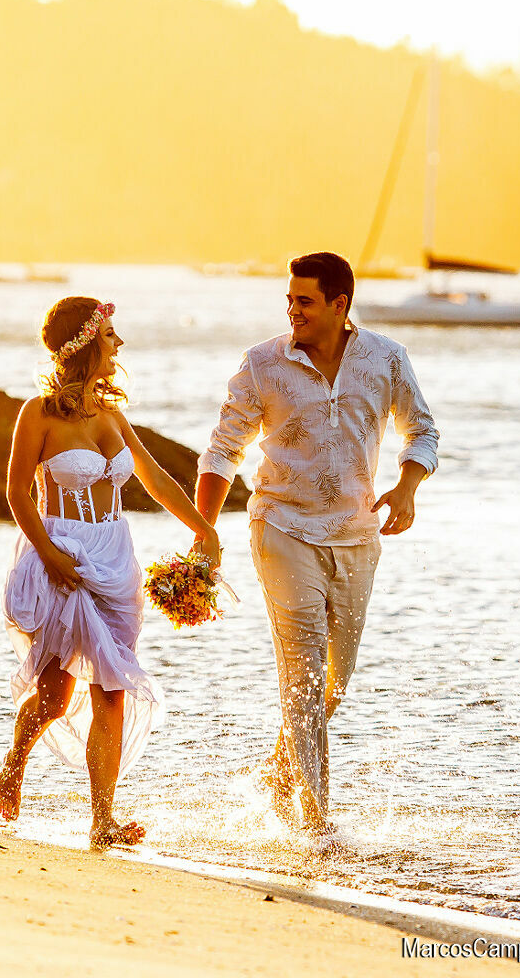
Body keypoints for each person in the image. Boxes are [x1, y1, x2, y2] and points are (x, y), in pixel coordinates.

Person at [194, 252, 438, 838]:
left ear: (339, 304)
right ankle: (316, 823)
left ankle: (283, 773)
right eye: (289, 301)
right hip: (282, 529)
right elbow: (222, 451)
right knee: (301, 672)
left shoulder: (385, 359)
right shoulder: (262, 364)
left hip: (357, 536)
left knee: (335, 679)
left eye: (304, 301)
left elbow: (422, 430)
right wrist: (204, 533)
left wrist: (406, 487)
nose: (292, 312)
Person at [0, 296, 222, 848]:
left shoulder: (112, 412)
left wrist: (204, 528)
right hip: (62, 556)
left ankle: (102, 820)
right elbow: (16, 491)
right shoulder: (38, 414)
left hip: (116, 557)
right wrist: (49, 554)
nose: (119, 343)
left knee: (112, 688)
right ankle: (15, 761)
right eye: (110, 333)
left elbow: (154, 477)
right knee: (55, 691)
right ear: (85, 343)